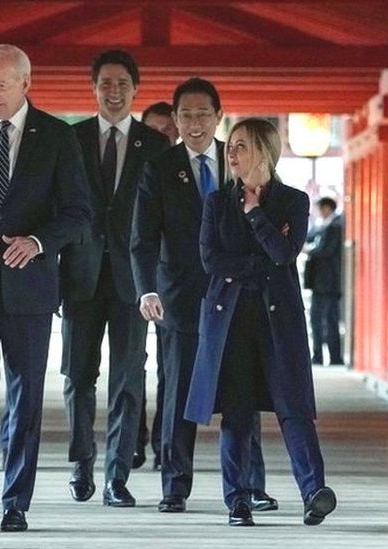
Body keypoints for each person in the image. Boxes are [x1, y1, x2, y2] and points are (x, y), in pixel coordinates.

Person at [0, 44, 89, 533]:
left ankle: (15, 501)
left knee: (25, 396)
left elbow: (78, 215)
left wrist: (38, 240)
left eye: (1, 85)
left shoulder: (57, 136)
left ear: (26, 83)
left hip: (30, 286)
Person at [131, 78, 274, 514]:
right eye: (186, 115)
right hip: (180, 296)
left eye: (203, 114)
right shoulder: (159, 167)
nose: (195, 123)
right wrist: (147, 288)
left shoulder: (238, 162)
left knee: (242, 391)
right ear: (175, 120)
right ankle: (175, 486)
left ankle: (251, 485)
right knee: (179, 391)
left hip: (237, 297)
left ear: (218, 116)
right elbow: (142, 237)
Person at [185, 118, 336, 527]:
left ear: (265, 152)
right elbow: (211, 261)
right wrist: (261, 257)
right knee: (236, 412)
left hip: (278, 320)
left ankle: (313, 492)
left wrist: (255, 215)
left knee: (294, 408)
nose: (231, 154)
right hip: (230, 320)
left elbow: (286, 254)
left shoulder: (293, 201)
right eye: (230, 146)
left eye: (241, 147)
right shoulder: (216, 202)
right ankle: (237, 500)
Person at [60, 49, 169, 507]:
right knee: (78, 375)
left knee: (128, 378)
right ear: (94, 87)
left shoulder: (156, 145)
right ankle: (82, 464)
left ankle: (116, 476)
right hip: (80, 273)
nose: (114, 90)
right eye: (105, 82)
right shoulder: (72, 139)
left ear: (135, 88)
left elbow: (165, 217)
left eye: (122, 82)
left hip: (134, 277)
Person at [135, 100, 177, 470]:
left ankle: (166, 444)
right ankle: (135, 438)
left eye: (168, 130)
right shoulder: (142, 165)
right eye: (154, 131)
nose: (163, 137)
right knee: (133, 365)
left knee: (169, 367)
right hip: (136, 275)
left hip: (172, 281)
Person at [304, 197, 344, 366]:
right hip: (319, 283)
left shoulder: (335, 226)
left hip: (328, 282)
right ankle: (318, 355)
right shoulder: (321, 226)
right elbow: (308, 237)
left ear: (327, 208)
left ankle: (334, 357)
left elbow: (324, 250)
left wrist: (308, 249)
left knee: (329, 320)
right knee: (317, 319)